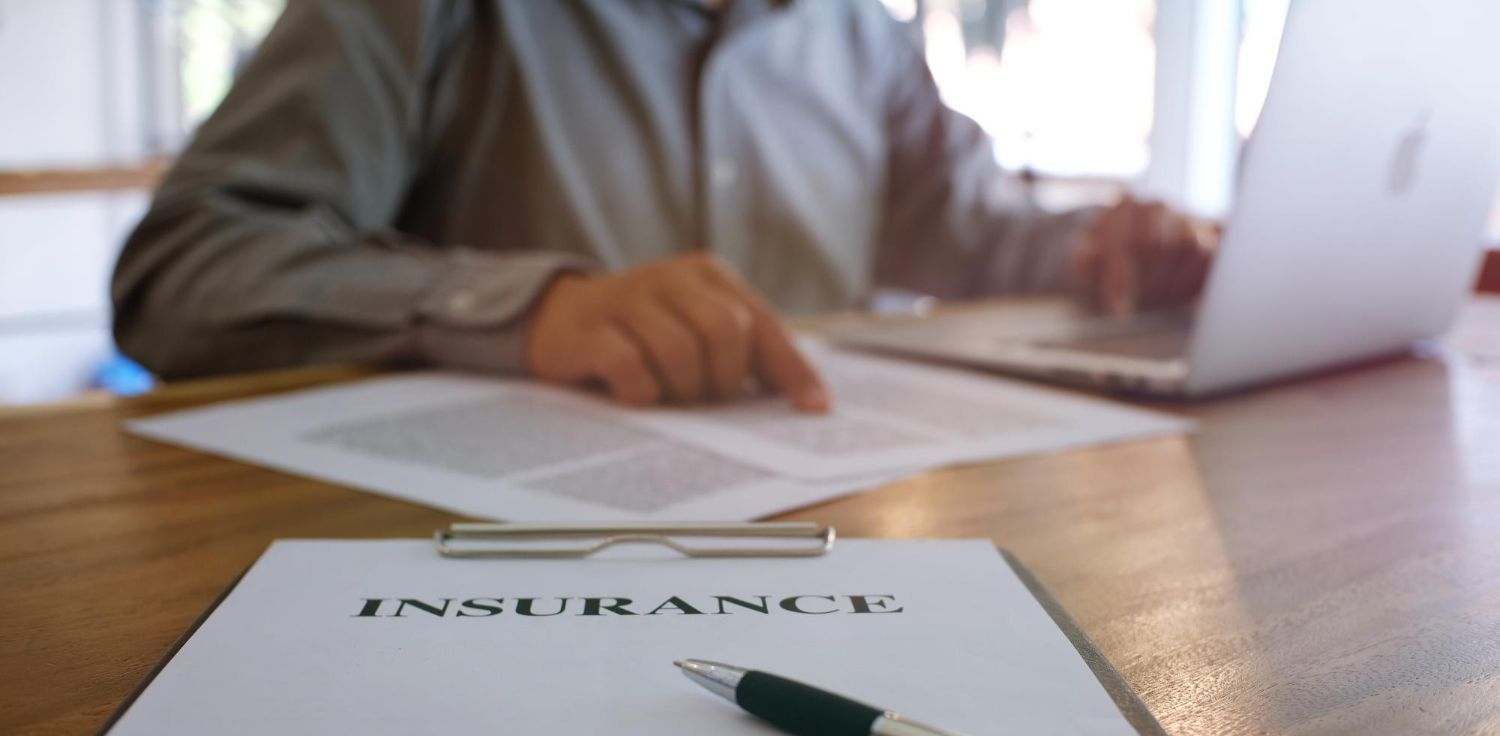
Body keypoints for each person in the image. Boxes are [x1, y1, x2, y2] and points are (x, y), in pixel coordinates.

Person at [112, 0, 1215, 413]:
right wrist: (536, 310)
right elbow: (184, 266)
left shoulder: (862, 38)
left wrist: (1109, 250)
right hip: (493, 575)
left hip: (840, 540)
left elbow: (968, 231)